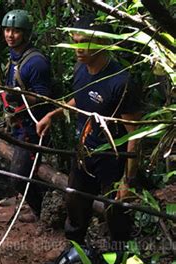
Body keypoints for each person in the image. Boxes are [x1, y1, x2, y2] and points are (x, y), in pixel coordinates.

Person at [36, 15, 141, 246]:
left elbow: (134, 133)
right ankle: (76, 255)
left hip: (112, 159)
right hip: (84, 153)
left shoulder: (120, 82)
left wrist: (128, 180)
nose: (78, 49)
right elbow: (82, 99)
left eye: (85, 42)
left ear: (103, 42)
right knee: (75, 203)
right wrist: (53, 114)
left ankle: (123, 261)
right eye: (75, 41)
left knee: (116, 214)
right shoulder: (80, 69)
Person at [0, 9, 52, 222]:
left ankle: (41, 212)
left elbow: (44, 98)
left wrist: (18, 98)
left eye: (16, 31)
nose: (10, 35)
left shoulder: (36, 62)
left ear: (26, 34)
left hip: (33, 128)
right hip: (18, 124)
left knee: (19, 177)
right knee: (21, 171)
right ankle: (32, 205)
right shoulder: (14, 58)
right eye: (7, 30)